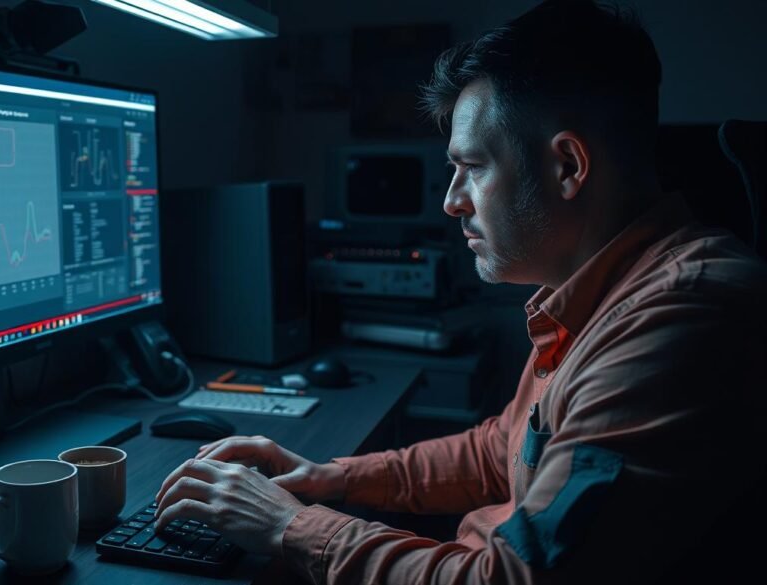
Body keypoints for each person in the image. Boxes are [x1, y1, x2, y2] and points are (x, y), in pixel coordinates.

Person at [154, 1, 767, 582]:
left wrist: (289, 525)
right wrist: (331, 476)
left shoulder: (681, 318)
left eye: (471, 166)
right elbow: (501, 447)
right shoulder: (596, 292)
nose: (451, 201)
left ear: (569, 167)